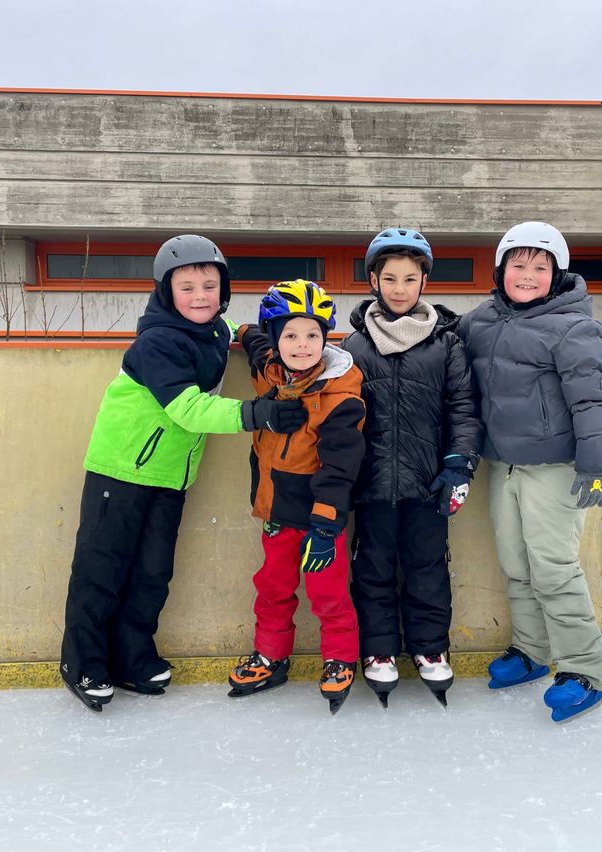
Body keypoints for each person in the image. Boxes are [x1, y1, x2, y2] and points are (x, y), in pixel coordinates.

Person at [60, 235, 307, 712]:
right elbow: (189, 410)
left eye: (209, 286)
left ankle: (132, 656)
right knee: (102, 571)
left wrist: (253, 339)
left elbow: (230, 327)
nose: (199, 296)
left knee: (153, 572)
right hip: (122, 471)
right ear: (165, 292)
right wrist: (259, 414)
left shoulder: (211, 329)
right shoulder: (159, 342)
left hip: (171, 475)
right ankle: (83, 662)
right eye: (187, 287)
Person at [458, 221, 602, 723]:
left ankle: (583, 670)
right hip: (501, 463)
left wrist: (594, 469)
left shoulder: (575, 327)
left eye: (540, 267)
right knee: (515, 563)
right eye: (518, 266)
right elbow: (441, 340)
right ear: (501, 271)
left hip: (555, 466)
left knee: (553, 568)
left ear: (557, 274)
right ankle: (531, 651)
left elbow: (593, 401)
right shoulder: (481, 320)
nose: (527, 275)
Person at [342, 228, 482, 708]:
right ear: (374, 282)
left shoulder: (446, 344)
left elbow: (463, 407)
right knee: (374, 568)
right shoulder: (354, 346)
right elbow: (339, 415)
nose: (400, 288)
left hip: (429, 482)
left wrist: (459, 466)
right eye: (390, 278)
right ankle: (379, 649)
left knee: (427, 567)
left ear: (424, 281)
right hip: (373, 482)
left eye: (410, 278)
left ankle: (428, 646)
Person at [228, 279, 366, 715]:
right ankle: (271, 655)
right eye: (290, 335)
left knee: (328, 593)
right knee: (272, 587)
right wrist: (235, 328)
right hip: (276, 511)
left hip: (320, 519)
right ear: (276, 339)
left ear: (326, 338)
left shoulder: (339, 392)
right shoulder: (269, 370)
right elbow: (252, 341)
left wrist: (326, 525)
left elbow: (341, 463)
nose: (302, 345)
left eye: (312, 335)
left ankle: (340, 657)